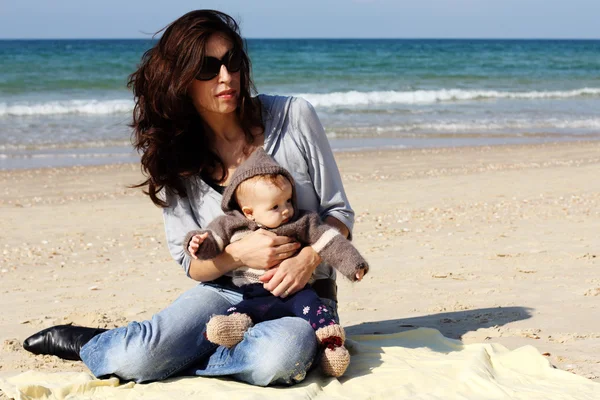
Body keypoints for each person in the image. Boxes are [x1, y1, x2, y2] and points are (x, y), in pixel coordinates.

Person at [22, 9, 356, 386]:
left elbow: (339, 211)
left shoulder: (294, 116)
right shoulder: (176, 155)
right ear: (181, 81)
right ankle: (103, 343)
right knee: (137, 357)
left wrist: (307, 260)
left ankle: (172, 353)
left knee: (278, 360)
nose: (226, 77)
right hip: (223, 295)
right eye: (207, 69)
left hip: (304, 297)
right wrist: (238, 255)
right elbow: (191, 264)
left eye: (232, 62)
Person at [184, 148, 368, 377]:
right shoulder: (231, 224)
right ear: (249, 212)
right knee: (241, 312)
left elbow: (330, 241)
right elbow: (212, 243)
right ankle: (231, 332)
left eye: (288, 200)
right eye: (275, 206)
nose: (287, 210)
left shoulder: (302, 221)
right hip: (254, 294)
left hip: (297, 292)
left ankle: (331, 347)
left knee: (317, 313)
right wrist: (197, 243)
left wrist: (353, 264)